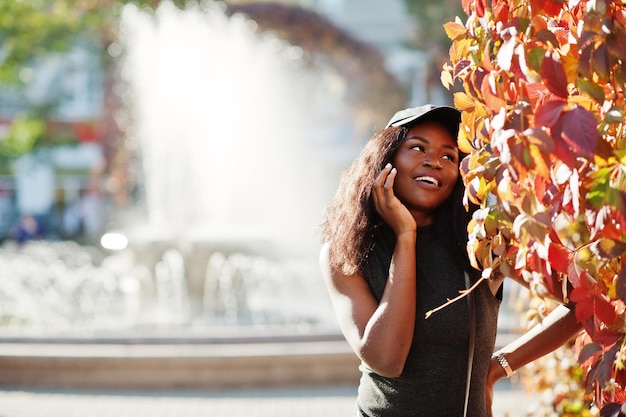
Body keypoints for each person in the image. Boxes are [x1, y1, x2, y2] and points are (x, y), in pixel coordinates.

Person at [319, 104, 582, 417]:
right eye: (417, 148)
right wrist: (406, 236)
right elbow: (387, 360)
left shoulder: (482, 241)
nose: (434, 161)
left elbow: (584, 302)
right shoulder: (346, 251)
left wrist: (499, 366)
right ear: (385, 161)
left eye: (449, 156)